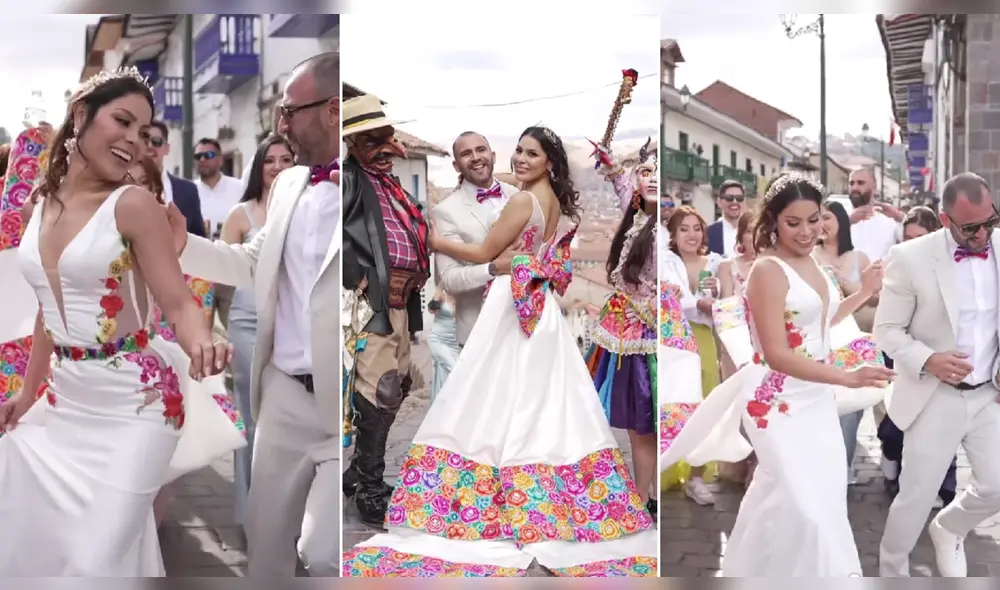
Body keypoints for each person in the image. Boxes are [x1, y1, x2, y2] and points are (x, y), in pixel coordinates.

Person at [342, 126, 657, 577]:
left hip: (510, 303)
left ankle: (488, 495)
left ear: (549, 162)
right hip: (540, 308)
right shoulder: (550, 200)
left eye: (532, 154)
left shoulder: (522, 200)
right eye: (519, 152)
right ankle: (546, 494)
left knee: (481, 397)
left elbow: (485, 252)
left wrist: (435, 242)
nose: (521, 159)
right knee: (539, 402)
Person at [0, 67, 237, 576]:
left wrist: (202, 341)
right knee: (38, 540)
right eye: (123, 121)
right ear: (80, 116)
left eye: (144, 131)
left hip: (138, 405)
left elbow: (178, 302)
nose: (134, 140)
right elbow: (47, 314)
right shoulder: (39, 206)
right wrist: (26, 393)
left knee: (95, 563)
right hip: (65, 402)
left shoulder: (133, 205)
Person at [661, 173, 895, 576]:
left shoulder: (814, 263)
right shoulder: (767, 271)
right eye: (793, 222)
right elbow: (777, 354)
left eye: (814, 220)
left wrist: (862, 293)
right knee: (806, 510)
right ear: (773, 221)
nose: (806, 232)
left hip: (817, 400)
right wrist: (847, 377)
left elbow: (818, 324)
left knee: (811, 504)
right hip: (777, 404)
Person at [166, 53, 342, 577]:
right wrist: (181, 242)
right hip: (284, 392)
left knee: (326, 552)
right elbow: (248, 261)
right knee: (266, 549)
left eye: (290, 111)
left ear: (333, 110)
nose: (280, 124)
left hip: (345, 402)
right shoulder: (289, 185)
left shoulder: (369, 188)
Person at [876, 172, 1000, 578]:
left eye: (991, 221)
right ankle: (892, 572)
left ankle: (948, 529)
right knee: (915, 498)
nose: (984, 234)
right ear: (945, 220)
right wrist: (929, 359)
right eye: (971, 228)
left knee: (996, 486)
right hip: (935, 396)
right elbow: (887, 330)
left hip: (988, 394)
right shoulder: (910, 257)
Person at [340, 93, 430, 529]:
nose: (386, 148)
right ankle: (370, 490)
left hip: (399, 303)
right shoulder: (348, 179)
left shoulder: (389, 184)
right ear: (354, 144)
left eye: (387, 137)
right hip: (370, 304)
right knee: (381, 390)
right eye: (373, 140)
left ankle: (359, 473)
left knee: (398, 386)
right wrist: (355, 276)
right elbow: (333, 231)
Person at [217, 134, 295, 532]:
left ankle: (284, 513)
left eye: (286, 159)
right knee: (251, 417)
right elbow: (218, 272)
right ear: (258, 166)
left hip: (293, 324)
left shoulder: (304, 207)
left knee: (288, 418)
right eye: (270, 160)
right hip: (247, 322)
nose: (278, 167)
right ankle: (250, 514)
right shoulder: (241, 214)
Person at [584, 139, 658, 516]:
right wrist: (612, 163)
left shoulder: (663, 231)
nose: (653, 178)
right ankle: (646, 496)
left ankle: (643, 501)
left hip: (649, 342)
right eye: (646, 172)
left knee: (645, 428)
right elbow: (623, 187)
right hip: (626, 336)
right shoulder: (639, 217)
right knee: (641, 429)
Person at [875, 205, 957, 508]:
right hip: (903, 352)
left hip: (942, 357)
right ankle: (893, 461)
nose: (912, 243)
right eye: (907, 237)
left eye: (919, 237)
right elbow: (887, 321)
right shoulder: (897, 262)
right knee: (900, 423)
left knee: (943, 426)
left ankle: (943, 487)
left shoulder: (951, 266)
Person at [432, 131, 523, 348]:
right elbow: (449, 279)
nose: (475, 157)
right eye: (466, 154)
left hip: (526, 326)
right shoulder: (445, 211)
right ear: (456, 166)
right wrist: (493, 268)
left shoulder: (519, 196)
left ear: (492, 155)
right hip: (479, 333)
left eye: (481, 150)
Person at [662, 205, 723, 505]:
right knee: (674, 400)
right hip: (671, 337)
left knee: (705, 401)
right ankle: (669, 466)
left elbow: (725, 299)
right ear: (673, 234)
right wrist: (698, 304)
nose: (691, 234)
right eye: (684, 229)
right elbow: (669, 294)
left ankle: (696, 476)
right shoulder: (665, 261)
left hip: (702, 336)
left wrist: (717, 292)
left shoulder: (715, 262)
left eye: (697, 228)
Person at [814, 199, 874, 482]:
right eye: (819, 218)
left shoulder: (859, 258)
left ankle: (845, 465)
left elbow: (875, 297)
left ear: (841, 222)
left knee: (853, 404)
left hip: (853, 335)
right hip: (821, 335)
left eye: (827, 217)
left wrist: (848, 286)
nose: (822, 224)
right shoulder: (809, 257)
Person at [146, 120, 204, 237]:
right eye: (145, 141)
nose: (150, 146)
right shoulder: (122, 185)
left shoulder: (188, 190)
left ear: (167, 148)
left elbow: (199, 236)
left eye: (156, 142)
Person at [847, 168, 903, 262]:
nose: (854, 188)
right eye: (851, 183)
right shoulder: (839, 219)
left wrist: (899, 217)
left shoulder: (890, 218)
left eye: (860, 183)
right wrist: (847, 222)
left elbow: (912, 244)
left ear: (874, 187)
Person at [193, 137, 244, 238]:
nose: (202, 160)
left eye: (208, 155)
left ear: (220, 160)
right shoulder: (188, 191)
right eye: (198, 156)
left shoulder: (239, 188)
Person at [425, 285, 460, 402]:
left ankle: (444, 405)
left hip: (454, 342)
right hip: (438, 339)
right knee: (453, 368)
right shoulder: (442, 294)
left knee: (444, 373)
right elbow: (431, 309)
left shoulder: (463, 296)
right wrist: (438, 292)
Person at [706, 180, 746, 256]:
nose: (734, 201)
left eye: (739, 198)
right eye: (729, 198)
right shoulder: (708, 232)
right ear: (719, 202)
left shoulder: (754, 231)